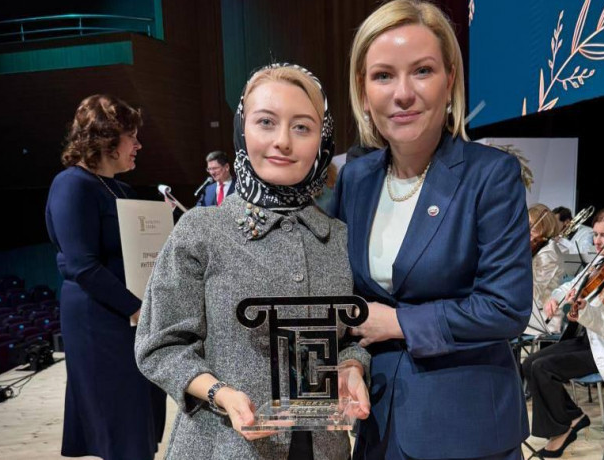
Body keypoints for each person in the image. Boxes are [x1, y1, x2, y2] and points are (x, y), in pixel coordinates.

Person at [135, 63, 370, 460]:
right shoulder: (201, 231)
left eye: (302, 127)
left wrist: (352, 368)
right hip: (222, 445)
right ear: (242, 130)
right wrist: (220, 393)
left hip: (324, 448)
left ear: (322, 139)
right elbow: (159, 345)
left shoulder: (339, 239)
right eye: (266, 122)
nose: (283, 141)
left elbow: (349, 338)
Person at [330, 1, 532, 458]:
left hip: (467, 428)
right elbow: (346, 296)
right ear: (363, 90)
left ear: (450, 79)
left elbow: (506, 308)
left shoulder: (491, 175)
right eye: (383, 75)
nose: (402, 93)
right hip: (378, 420)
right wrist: (350, 361)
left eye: (422, 71)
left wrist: (398, 322)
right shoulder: (356, 180)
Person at [45, 94, 166, 460]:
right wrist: (138, 309)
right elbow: (82, 265)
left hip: (131, 316)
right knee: (121, 423)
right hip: (100, 319)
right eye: (132, 136)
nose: (138, 145)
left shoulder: (121, 188)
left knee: (141, 417)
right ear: (107, 139)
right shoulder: (72, 184)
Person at [524, 206, 604, 458]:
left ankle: (563, 428)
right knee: (529, 364)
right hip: (588, 340)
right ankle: (570, 418)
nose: (598, 241)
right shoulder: (600, 260)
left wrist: (584, 311)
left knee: (542, 368)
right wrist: (556, 297)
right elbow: (571, 285)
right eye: (596, 234)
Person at [527, 204, 565, 335]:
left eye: (531, 225)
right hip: (527, 316)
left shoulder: (548, 254)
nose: (527, 229)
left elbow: (533, 293)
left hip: (542, 320)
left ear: (544, 226)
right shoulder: (536, 246)